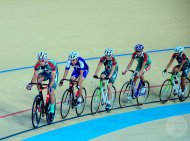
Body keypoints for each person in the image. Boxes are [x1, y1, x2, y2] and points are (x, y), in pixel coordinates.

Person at [26, 52, 58, 116]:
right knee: (39, 78)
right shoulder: (37, 65)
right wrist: (31, 84)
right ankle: (40, 94)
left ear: (45, 60)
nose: (40, 62)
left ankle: (52, 109)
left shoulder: (52, 64)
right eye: (39, 60)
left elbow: (52, 78)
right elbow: (35, 75)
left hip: (53, 75)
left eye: (42, 60)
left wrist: (49, 86)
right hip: (45, 73)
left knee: (50, 91)